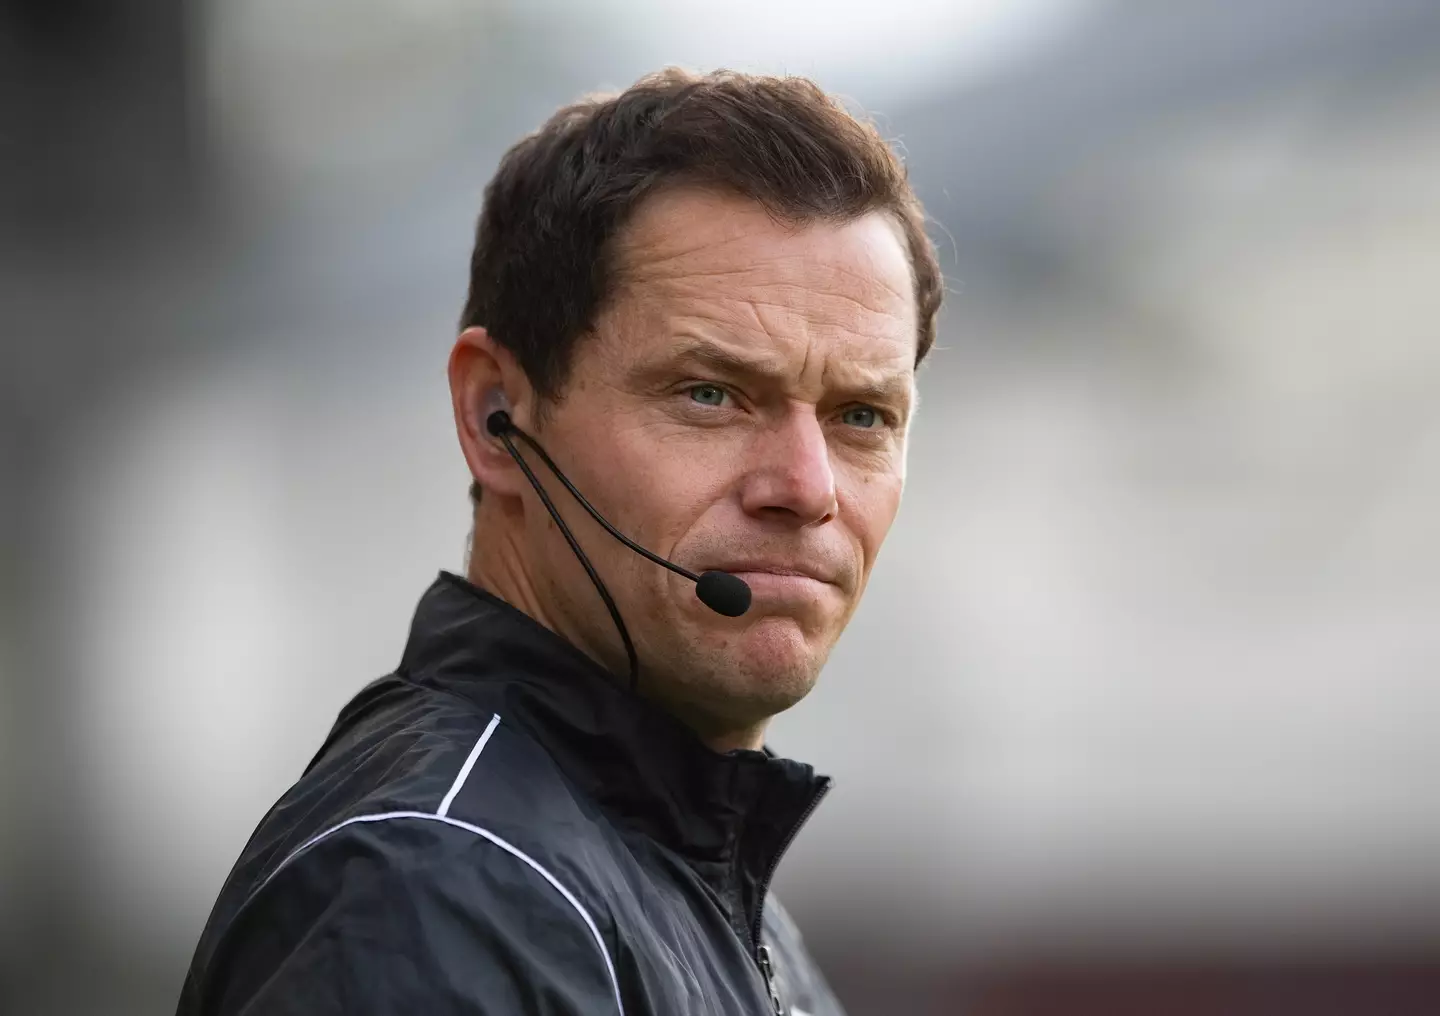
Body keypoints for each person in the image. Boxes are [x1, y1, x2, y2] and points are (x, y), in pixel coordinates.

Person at [177, 68, 942, 1016]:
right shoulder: (436, 892)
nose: (808, 488)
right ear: (497, 413)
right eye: (710, 394)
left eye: (862, 416)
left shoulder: (698, 888)